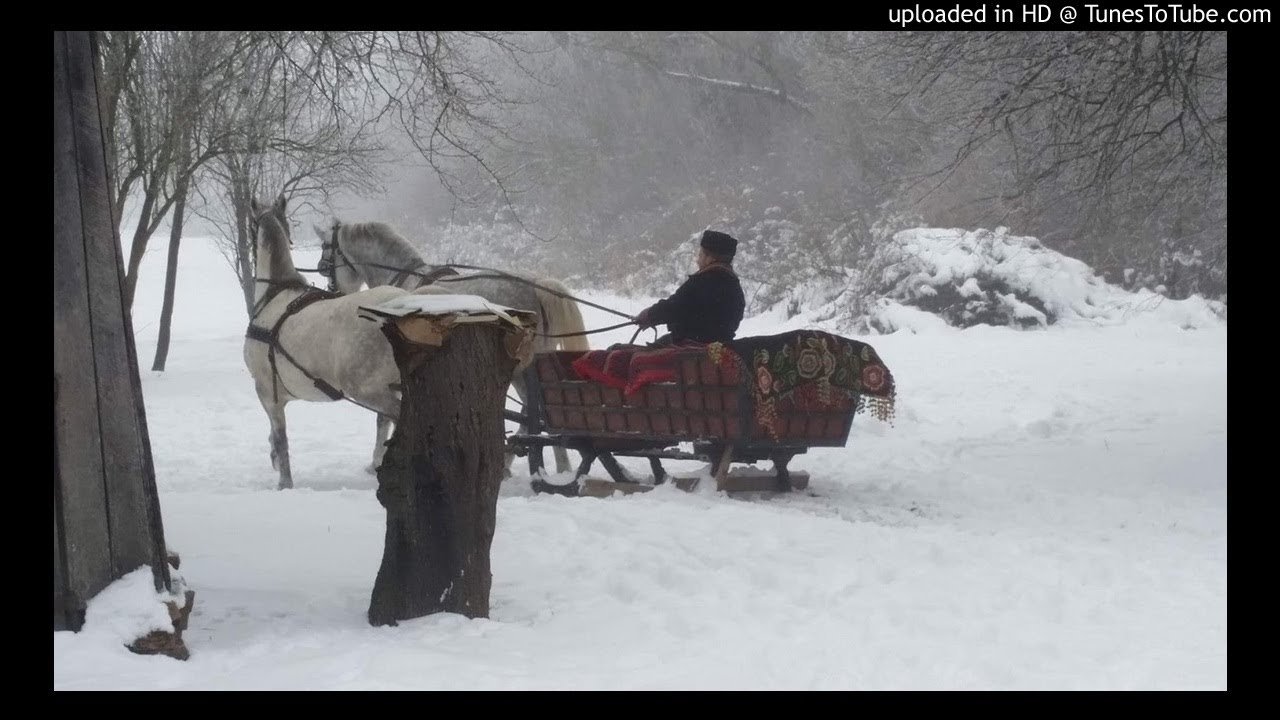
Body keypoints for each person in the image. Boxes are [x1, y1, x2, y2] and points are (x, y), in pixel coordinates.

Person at [634, 229, 746, 347]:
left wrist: (649, 315)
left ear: (710, 258)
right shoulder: (734, 285)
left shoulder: (703, 281)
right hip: (720, 348)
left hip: (690, 348)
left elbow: (674, 307)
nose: (697, 261)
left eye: (700, 255)